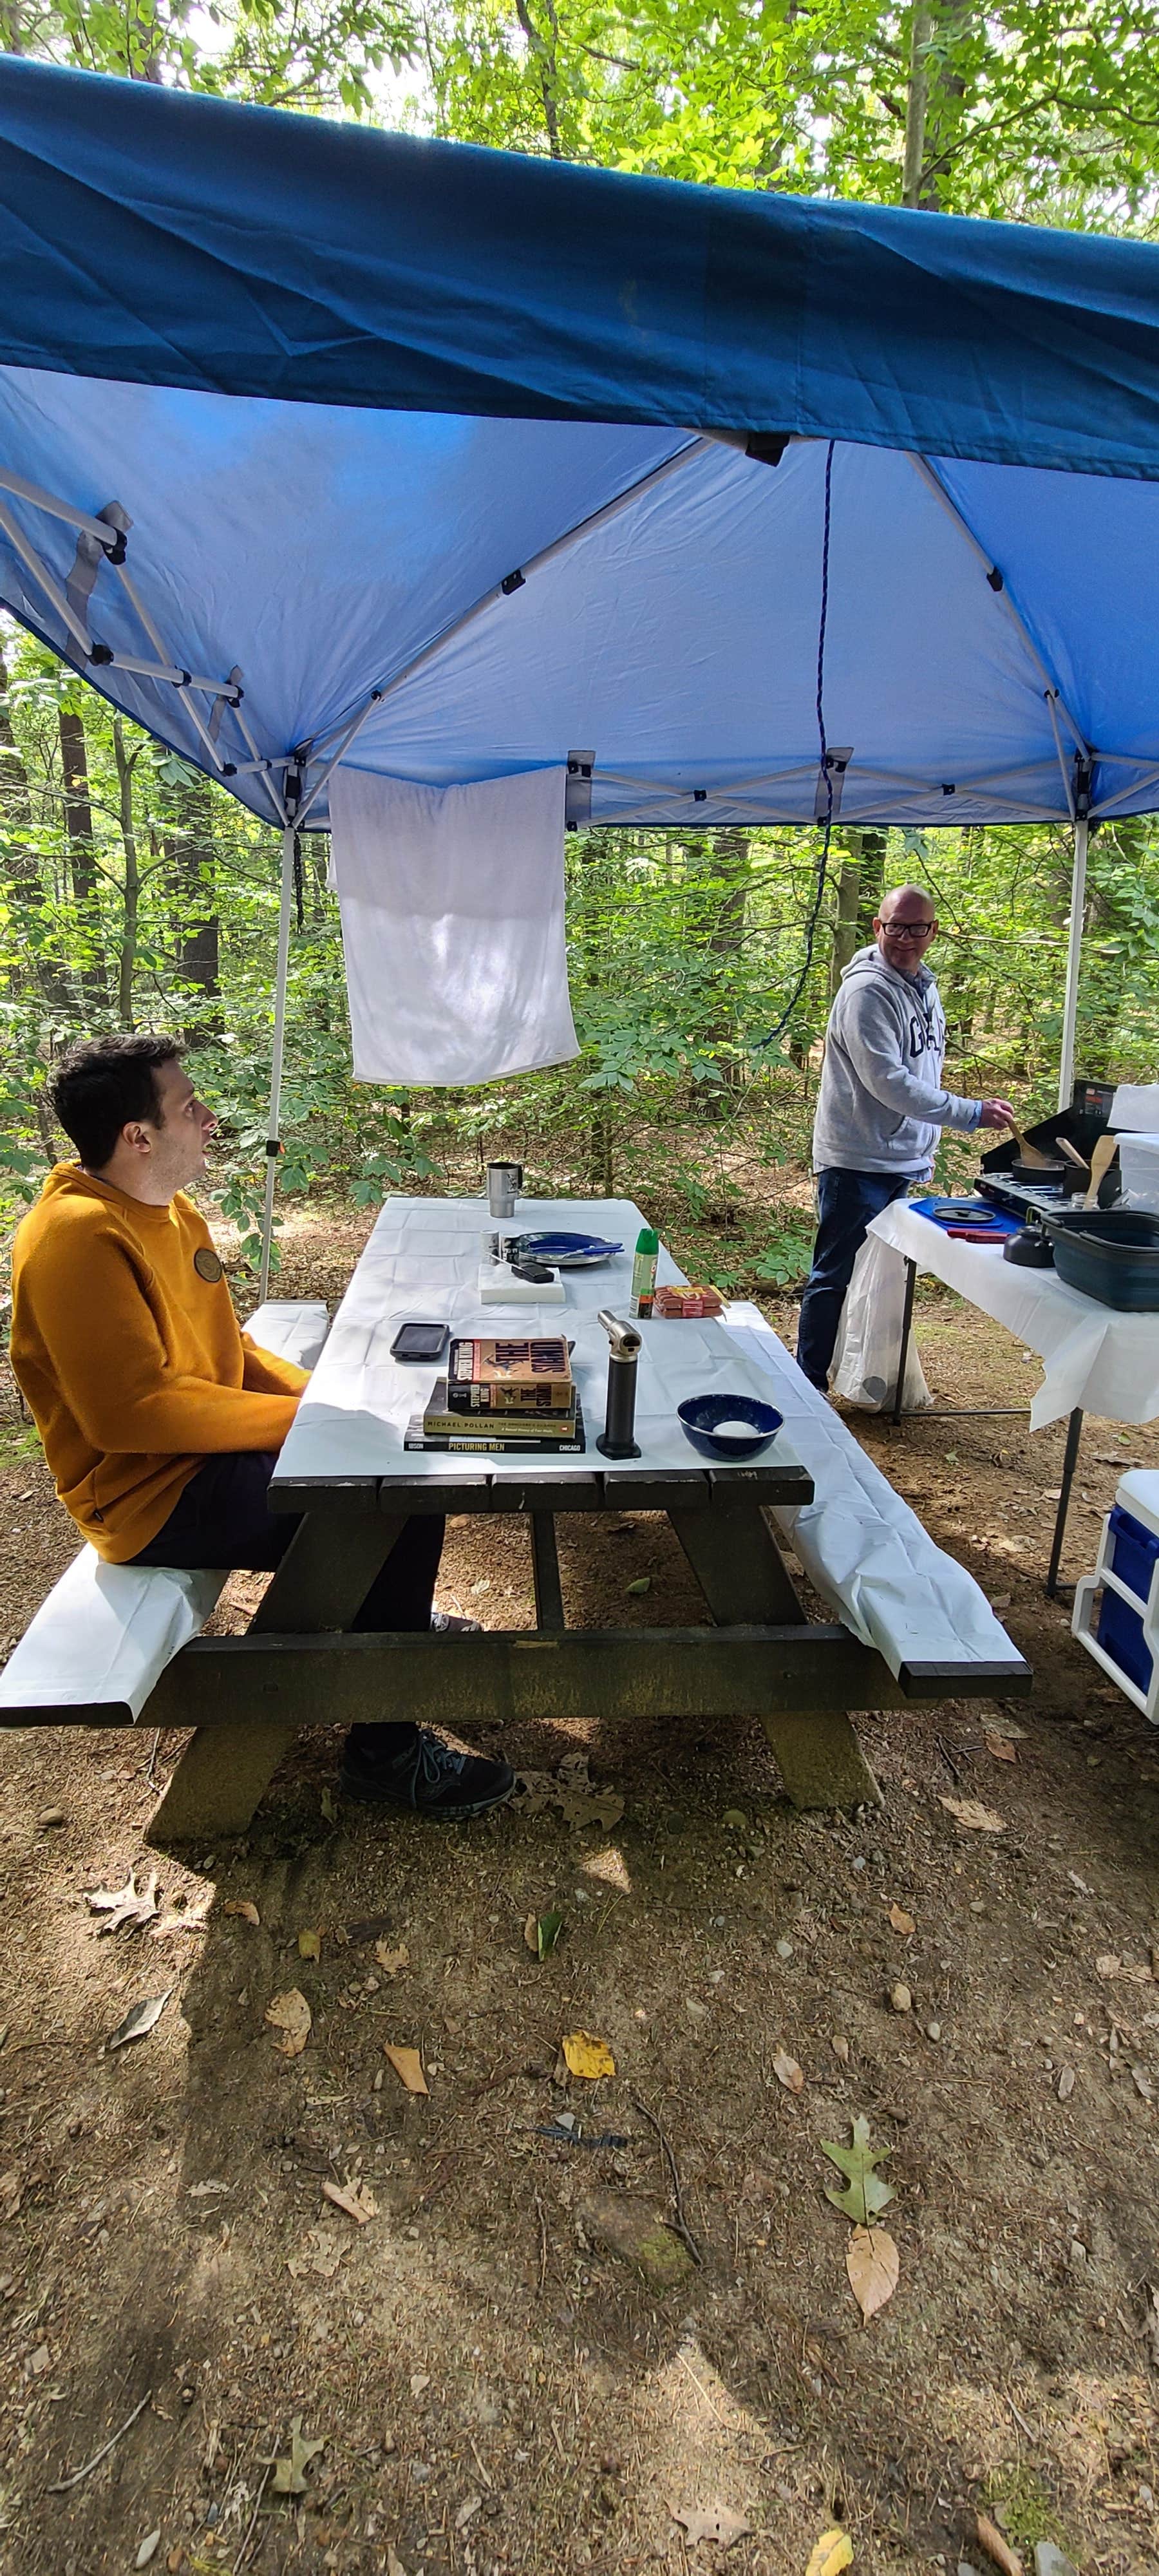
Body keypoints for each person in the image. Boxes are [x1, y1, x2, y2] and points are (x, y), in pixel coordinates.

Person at [9, 1033, 513, 1820]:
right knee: (388, 1502)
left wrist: (335, 1399)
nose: (209, 1118)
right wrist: (312, 1425)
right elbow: (130, 1414)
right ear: (138, 1137)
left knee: (396, 1475)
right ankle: (384, 1753)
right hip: (146, 1496)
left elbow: (229, 1352)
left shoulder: (168, 1209)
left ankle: (395, 1620)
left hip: (201, 1457)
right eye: (189, 1107)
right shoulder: (75, 1238)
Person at [796, 885, 1015, 1392]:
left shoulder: (924, 986)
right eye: (895, 926)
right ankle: (807, 1383)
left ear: (933, 931)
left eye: (917, 928)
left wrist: (926, 1144)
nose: (906, 938)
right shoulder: (867, 992)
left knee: (879, 1279)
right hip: (856, 1160)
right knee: (835, 1275)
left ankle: (863, 1376)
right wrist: (968, 1113)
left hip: (899, 1157)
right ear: (878, 927)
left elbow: (926, 1070)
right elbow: (888, 1083)